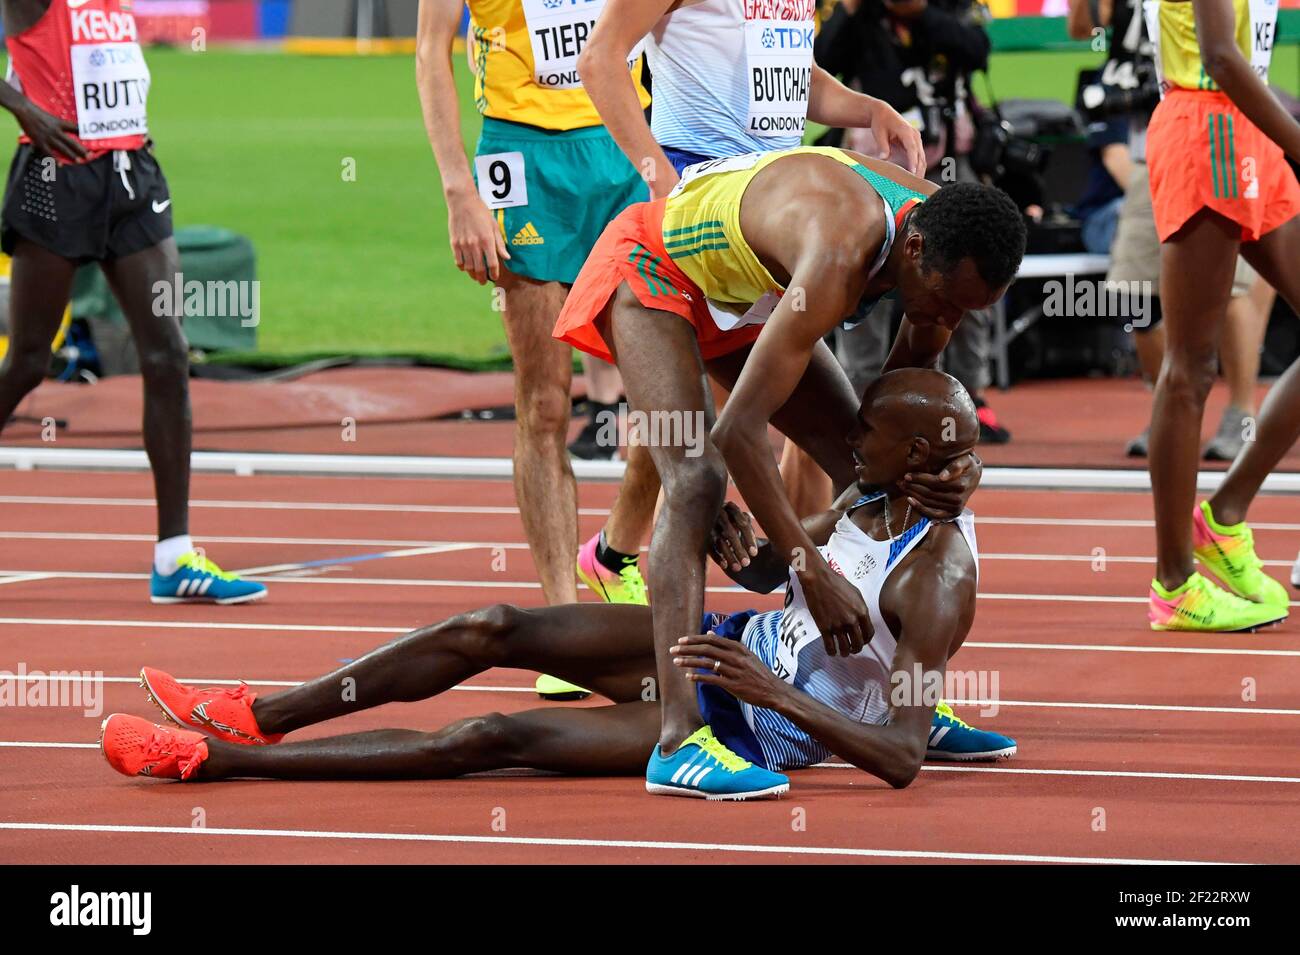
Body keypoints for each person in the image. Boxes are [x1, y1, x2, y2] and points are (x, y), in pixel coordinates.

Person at [100, 369, 1015, 794]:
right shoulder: (872, 491)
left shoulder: (940, 579)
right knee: (491, 625)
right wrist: (752, 556)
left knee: (489, 734)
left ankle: (224, 762)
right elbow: (792, 573)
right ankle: (259, 710)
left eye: (872, 433)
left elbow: (898, 753)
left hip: (757, 719)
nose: (850, 437)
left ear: (924, 453)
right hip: (729, 647)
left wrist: (777, 693)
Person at [553, 145, 1024, 795]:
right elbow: (738, 431)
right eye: (946, 304)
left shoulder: (945, 234)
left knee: (871, 466)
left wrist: (961, 463)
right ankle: (679, 737)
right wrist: (809, 567)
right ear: (914, 252)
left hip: (742, 298)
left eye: (967, 314)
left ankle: (900, 690)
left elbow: (890, 428)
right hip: (651, 268)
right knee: (696, 479)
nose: (946, 323)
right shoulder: (839, 251)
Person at [572, 0, 925, 608]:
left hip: (774, 212)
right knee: (698, 451)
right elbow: (600, 58)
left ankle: (626, 556)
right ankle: (665, 631)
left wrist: (869, 109)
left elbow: (792, 78)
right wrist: (659, 176)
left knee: (757, 416)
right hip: (699, 207)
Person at [415, 0, 651, 696]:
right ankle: (564, 624)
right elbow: (430, 51)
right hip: (522, 159)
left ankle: (615, 552)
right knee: (545, 402)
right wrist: (458, 183)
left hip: (622, 142)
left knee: (670, 395)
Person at [0, 0, 264, 604]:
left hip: (132, 175)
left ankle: (174, 558)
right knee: (29, 363)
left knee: (168, 354)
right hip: (55, 178)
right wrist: (22, 106)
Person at [1143, 0, 1300, 631]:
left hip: (1248, 128)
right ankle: (1174, 583)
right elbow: (1219, 55)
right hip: (1202, 125)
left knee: (1195, 367)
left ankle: (1226, 512)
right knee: (1192, 367)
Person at [1068, 0, 1275, 462]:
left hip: (1218, 130)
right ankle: (1172, 403)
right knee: (1132, 291)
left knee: (1234, 288)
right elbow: (1082, 28)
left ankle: (1240, 413)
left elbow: (1228, 53)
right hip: (1155, 144)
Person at [814, 0, 1011, 444]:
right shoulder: (856, 15)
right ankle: (861, 400)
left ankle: (965, 396)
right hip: (871, 166)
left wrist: (921, 12)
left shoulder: (955, 9)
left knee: (964, 275)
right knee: (864, 278)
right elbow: (823, 60)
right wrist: (849, 8)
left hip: (950, 164)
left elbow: (977, 50)